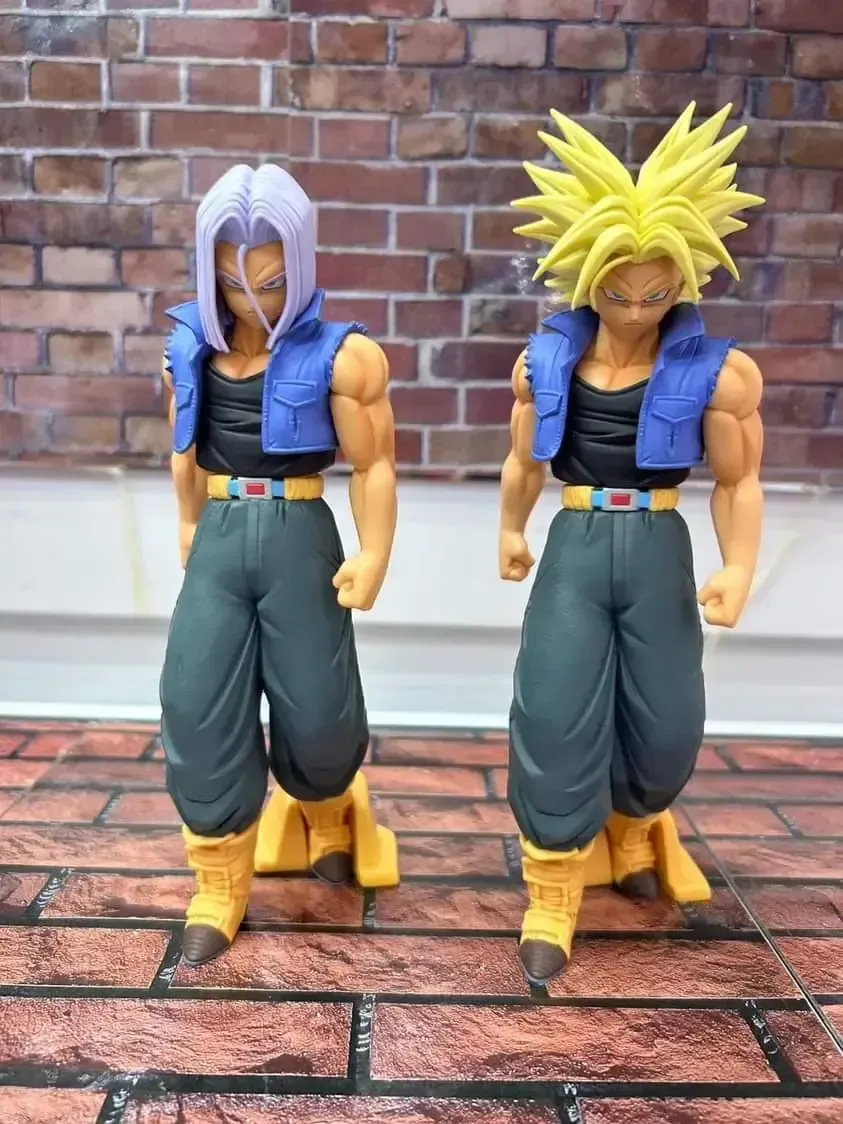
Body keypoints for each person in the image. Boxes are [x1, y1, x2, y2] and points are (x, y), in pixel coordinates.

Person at [499, 103, 765, 985]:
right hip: (575, 542)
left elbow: (737, 481)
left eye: (656, 294)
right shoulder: (544, 363)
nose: (636, 310)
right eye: (618, 293)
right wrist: (509, 527)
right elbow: (520, 459)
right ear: (584, 279)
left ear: (685, 280)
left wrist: (738, 566)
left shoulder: (718, 375)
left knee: (665, 724)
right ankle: (551, 889)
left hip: (656, 543)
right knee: (553, 707)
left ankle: (638, 821)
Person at [159, 163, 398, 967]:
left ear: (298, 265)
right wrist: (187, 519)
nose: (250, 300)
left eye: (268, 281)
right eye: (232, 283)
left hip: (300, 529)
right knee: (195, 698)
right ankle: (217, 880)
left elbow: (373, 464)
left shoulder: (345, 357)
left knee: (320, 711)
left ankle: (327, 809)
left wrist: (373, 552)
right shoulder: (189, 346)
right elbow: (182, 441)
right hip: (222, 530)